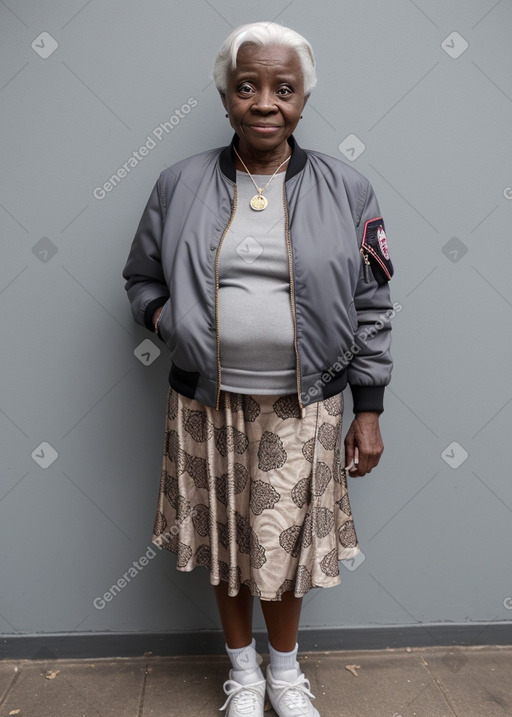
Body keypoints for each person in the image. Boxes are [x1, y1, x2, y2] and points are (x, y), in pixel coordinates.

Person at [122, 20, 394, 717]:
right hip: (207, 398)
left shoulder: (347, 188)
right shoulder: (177, 184)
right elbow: (141, 280)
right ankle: (242, 672)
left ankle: (285, 671)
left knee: (283, 546)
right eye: (248, 87)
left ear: (302, 100)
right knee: (225, 537)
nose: (265, 102)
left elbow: (372, 302)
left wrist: (369, 406)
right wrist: (171, 324)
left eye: (283, 88)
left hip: (306, 403)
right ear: (227, 98)